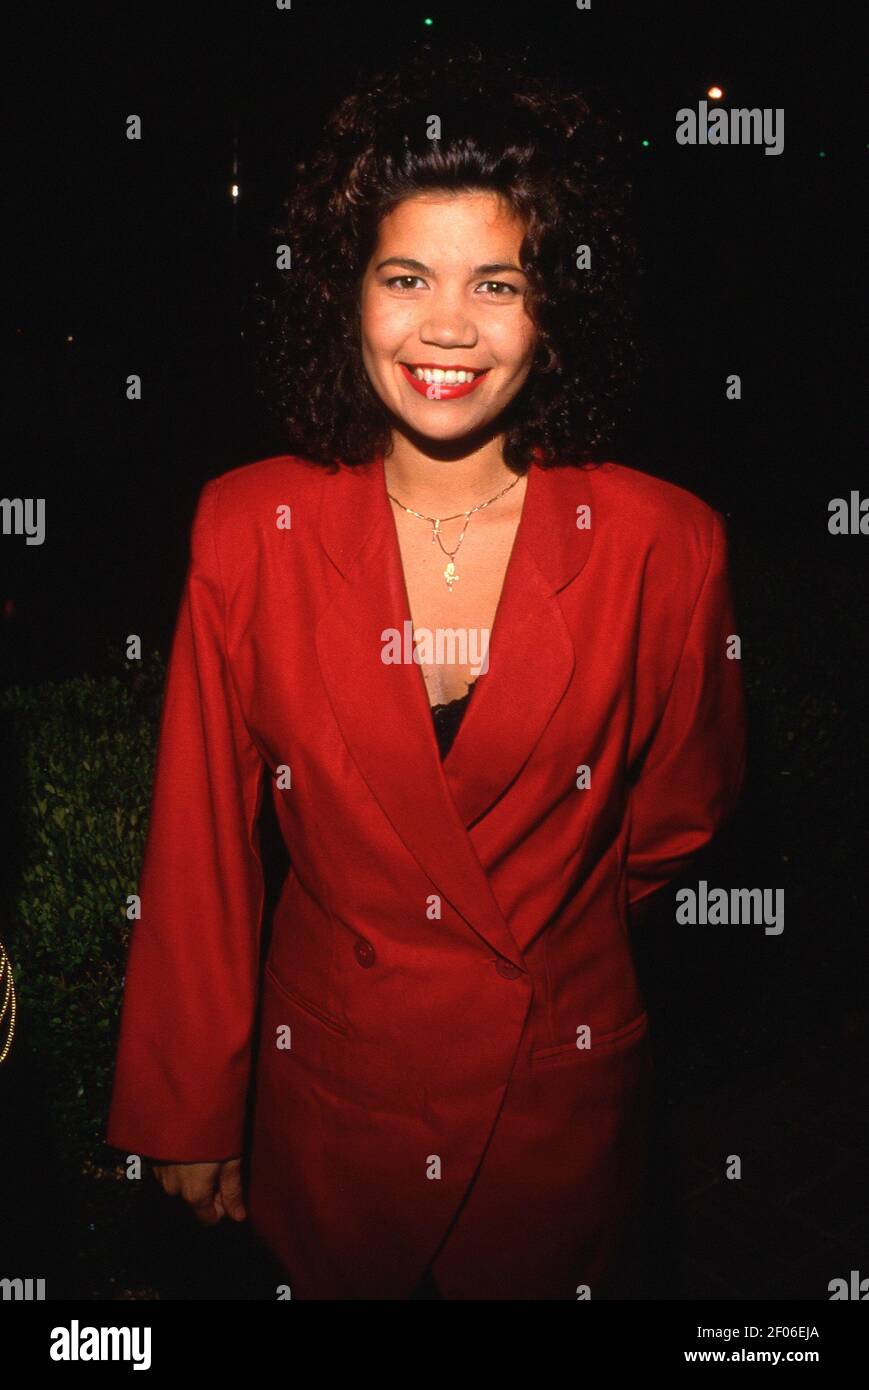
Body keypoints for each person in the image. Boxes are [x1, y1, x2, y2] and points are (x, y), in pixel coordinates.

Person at [106, 45, 747, 1300]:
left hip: (553, 1101)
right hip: (326, 1098)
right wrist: (185, 1108)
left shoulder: (664, 543)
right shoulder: (247, 526)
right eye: (405, 276)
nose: (444, 327)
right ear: (346, 296)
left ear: (554, 307)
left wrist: (544, 923)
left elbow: (680, 813)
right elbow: (200, 846)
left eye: (494, 283)